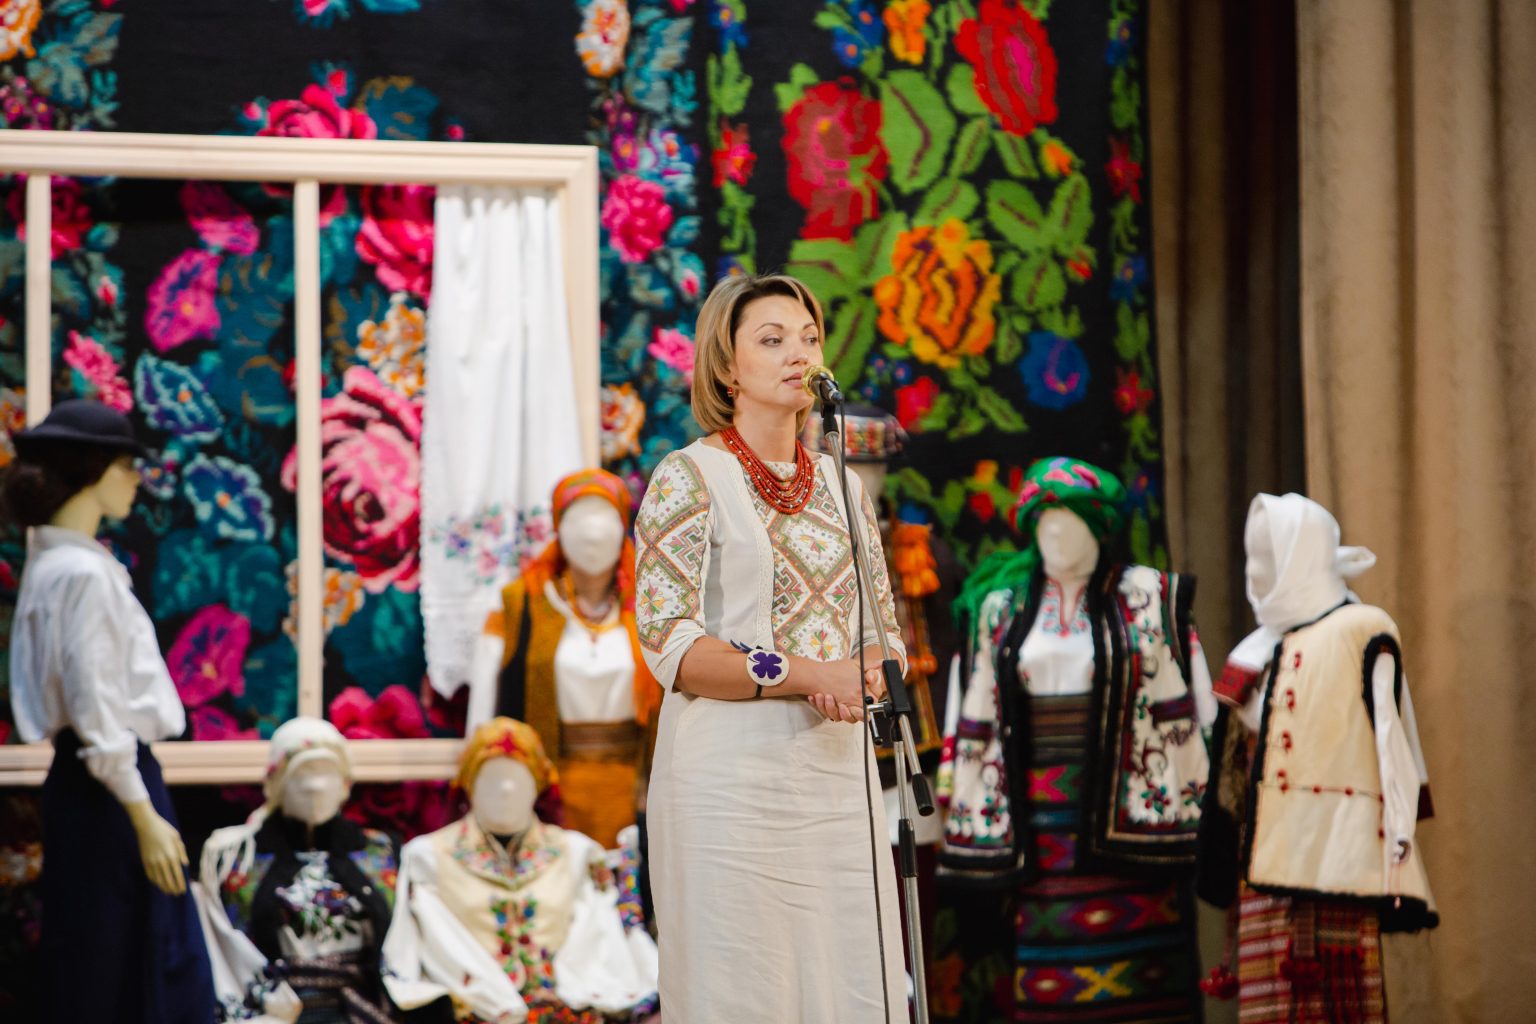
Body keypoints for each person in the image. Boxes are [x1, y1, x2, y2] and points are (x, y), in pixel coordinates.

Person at [634, 273, 907, 1022]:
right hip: (728, 785)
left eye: (809, 337)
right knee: (742, 990)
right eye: (773, 339)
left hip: (835, 780)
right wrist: (808, 673)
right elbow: (672, 647)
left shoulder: (845, 490)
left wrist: (863, 679)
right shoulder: (688, 477)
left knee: (849, 986)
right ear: (727, 367)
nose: (799, 353)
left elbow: (882, 636)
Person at [938, 457, 1213, 1023]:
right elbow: (972, 707)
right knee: (1050, 978)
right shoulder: (1002, 608)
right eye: (1046, 524)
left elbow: (1196, 706)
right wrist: (959, 796)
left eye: (1073, 523)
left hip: (1133, 814)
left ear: (1100, 528)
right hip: (1040, 823)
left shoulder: (1148, 597)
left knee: (1146, 984)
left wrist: (1203, 790)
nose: (1058, 537)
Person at [3, 399, 215, 1023]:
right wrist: (143, 814)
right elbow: (94, 700)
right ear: (92, 470)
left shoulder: (55, 564)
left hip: (90, 780)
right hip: (112, 785)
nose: (135, 481)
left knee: (97, 952)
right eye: (126, 466)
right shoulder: (81, 574)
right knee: (123, 956)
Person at [382, 717, 658, 1023]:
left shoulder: (577, 854)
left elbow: (600, 941)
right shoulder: (428, 857)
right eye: (491, 777)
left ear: (538, 785)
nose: (506, 788)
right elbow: (414, 953)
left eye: (519, 777)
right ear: (470, 784)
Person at [468, 468, 661, 849]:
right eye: (578, 519)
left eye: (605, 519)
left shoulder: (650, 607)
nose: (593, 533)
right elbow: (483, 715)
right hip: (545, 790)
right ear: (558, 528)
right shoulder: (519, 605)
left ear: (623, 527)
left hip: (634, 791)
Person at [196, 717, 401, 1024]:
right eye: (301, 773)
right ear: (277, 782)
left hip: (363, 1011)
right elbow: (222, 952)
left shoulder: (380, 852)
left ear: (345, 783)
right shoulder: (234, 856)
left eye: (327, 772)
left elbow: (401, 949)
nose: (315, 785)